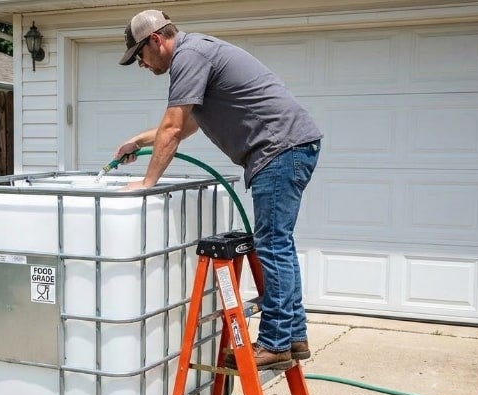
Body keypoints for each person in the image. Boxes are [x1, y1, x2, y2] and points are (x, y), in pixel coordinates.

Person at [113, 10, 322, 370]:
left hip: (278, 149)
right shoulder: (197, 52)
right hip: (289, 146)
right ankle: (294, 335)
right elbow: (189, 122)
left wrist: (147, 183)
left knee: (272, 244)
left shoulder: (188, 57)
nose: (141, 66)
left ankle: (274, 342)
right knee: (280, 244)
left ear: (155, 41)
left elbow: (174, 128)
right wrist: (138, 140)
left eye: (139, 58)